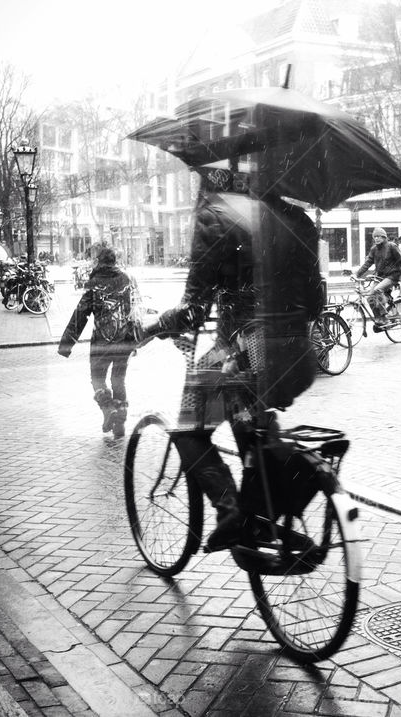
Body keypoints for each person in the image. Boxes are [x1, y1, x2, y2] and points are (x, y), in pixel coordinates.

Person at [145, 168, 326, 552]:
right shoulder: (301, 222)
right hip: (295, 357)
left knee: (188, 430)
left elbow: (193, 312)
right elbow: (316, 303)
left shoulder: (218, 218)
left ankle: (230, 512)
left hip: (241, 356)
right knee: (247, 416)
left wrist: (151, 326)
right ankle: (260, 512)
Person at [58, 246, 142, 438]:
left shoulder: (94, 283)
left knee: (97, 379)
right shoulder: (127, 279)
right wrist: (135, 338)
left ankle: (107, 409)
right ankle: (120, 419)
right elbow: (136, 310)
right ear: (114, 261)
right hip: (124, 341)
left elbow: (81, 314)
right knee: (118, 379)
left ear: (99, 262)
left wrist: (66, 344)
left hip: (101, 342)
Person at [354, 228, 401, 329]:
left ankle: (384, 316)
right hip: (380, 277)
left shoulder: (391, 246)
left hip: (393, 276)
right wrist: (357, 274)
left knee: (377, 290)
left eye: (379, 236)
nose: (377, 238)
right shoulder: (374, 249)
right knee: (369, 297)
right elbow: (367, 263)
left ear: (384, 237)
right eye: (375, 237)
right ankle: (378, 319)